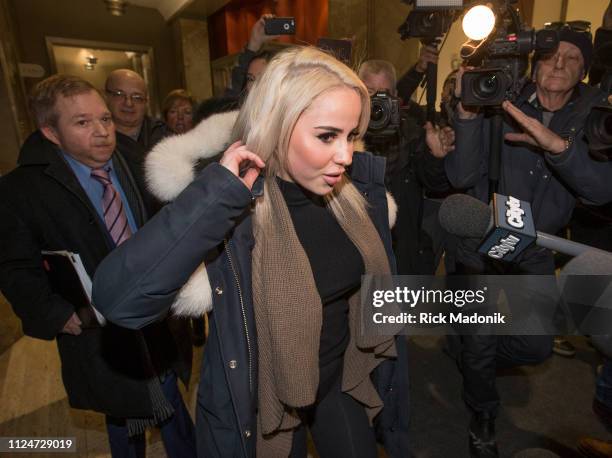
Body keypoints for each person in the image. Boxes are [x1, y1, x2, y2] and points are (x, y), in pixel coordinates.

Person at [92, 46, 410, 458]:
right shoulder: (231, 209)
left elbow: (378, 302)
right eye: (327, 136)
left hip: (340, 379)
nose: (346, 155)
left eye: (351, 136)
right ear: (274, 124)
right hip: (261, 404)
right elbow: (119, 300)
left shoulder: (356, 195)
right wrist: (214, 196)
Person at [0, 74, 195, 458]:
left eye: (104, 119)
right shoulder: (21, 191)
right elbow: (14, 266)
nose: (103, 131)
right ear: (51, 133)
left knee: (169, 395)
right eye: (83, 123)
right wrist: (59, 315)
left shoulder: (135, 158)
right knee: (124, 413)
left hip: (157, 314)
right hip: (98, 330)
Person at [446, 26, 607, 457]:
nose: (559, 64)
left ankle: (464, 348)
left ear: (584, 72)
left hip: (536, 249)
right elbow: (461, 177)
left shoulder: (592, 119)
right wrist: (466, 116)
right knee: (481, 336)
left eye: (573, 59)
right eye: (553, 55)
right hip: (484, 239)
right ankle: (482, 413)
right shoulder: (500, 99)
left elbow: (600, 191)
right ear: (535, 62)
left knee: (534, 346)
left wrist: (558, 147)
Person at [358, 58, 454, 275]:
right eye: (369, 91)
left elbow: (435, 183)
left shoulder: (412, 134)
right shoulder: (345, 134)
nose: (376, 100)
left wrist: (436, 157)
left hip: (403, 252)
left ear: (395, 97)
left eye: (384, 93)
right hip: (359, 254)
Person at [105, 69, 166, 214]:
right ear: (106, 96)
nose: (129, 103)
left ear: (146, 102)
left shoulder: (164, 134)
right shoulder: (95, 140)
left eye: (137, 97)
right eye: (119, 94)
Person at [225, 14, 278, 98]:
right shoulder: (243, 108)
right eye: (250, 79)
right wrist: (254, 42)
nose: (253, 87)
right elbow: (231, 97)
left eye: (261, 79)